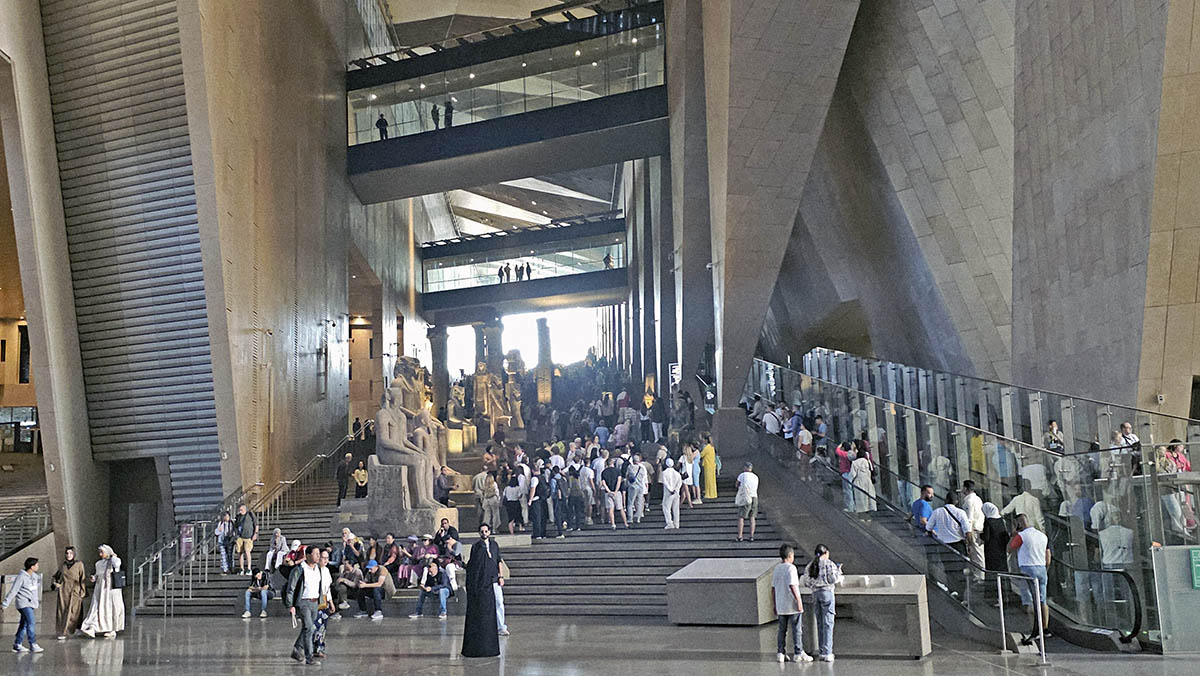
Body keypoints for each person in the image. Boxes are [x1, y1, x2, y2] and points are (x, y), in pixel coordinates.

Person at [1008, 514, 1051, 645]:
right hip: (1042, 568)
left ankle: (1034, 630)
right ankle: (1045, 628)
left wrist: (1014, 534)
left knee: (1030, 601)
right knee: (1043, 600)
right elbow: (1048, 555)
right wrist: (1045, 568)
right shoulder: (1042, 535)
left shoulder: (1022, 536)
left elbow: (1009, 549)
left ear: (1018, 523)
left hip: (1027, 569)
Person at [462, 523, 502, 658]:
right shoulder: (477, 547)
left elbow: (498, 560)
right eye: (482, 531)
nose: (484, 533)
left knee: (498, 605)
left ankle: (502, 627)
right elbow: (475, 566)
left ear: (489, 532)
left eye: (486, 531)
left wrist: (500, 576)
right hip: (481, 586)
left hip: (492, 582)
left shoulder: (494, 545)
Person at [286, 545, 330, 665]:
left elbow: (321, 586)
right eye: (316, 554)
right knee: (309, 628)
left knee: (309, 628)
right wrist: (290, 605)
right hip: (303, 602)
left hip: (315, 602)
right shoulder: (300, 569)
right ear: (308, 555)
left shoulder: (318, 569)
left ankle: (297, 649)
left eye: (318, 554)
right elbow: (291, 588)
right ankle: (309, 657)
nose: (318, 556)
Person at [800, 544, 844, 663]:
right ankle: (827, 652)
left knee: (819, 622)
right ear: (826, 553)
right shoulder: (829, 563)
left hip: (815, 594)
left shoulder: (810, 565)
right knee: (828, 622)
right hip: (827, 593)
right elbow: (833, 579)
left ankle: (821, 651)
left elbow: (807, 581)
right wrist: (839, 571)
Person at [925, 491, 971, 597]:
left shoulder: (937, 512)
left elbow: (928, 527)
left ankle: (952, 590)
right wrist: (970, 545)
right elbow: (967, 531)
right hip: (959, 545)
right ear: (956, 501)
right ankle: (961, 593)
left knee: (948, 569)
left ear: (945, 500)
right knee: (960, 570)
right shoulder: (960, 512)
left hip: (944, 546)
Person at [772, 545, 812, 663]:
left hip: (780, 603)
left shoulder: (777, 569)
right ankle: (798, 652)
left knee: (782, 630)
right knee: (797, 629)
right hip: (791, 604)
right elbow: (792, 585)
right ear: (790, 556)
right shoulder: (791, 568)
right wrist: (799, 600)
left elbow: (773, 588)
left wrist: (774, 604)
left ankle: (780, 652)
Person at [80, 545, 124, 638]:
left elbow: (117, 565)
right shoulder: (99, 563)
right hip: (100, 589)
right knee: (97, 608)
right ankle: (92, 628)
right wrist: (94, 578)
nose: (100, 554)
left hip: (111, 590)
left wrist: (113, 556)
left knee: (112, 609)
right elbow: (97, 574)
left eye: (102, 552)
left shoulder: (114, 561)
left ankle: (112, 629)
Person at [2, 557, 42, 653]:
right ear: (32, 567)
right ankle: (33, 643)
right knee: (31, 622)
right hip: (23, 603)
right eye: (36, 565)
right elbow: (13, 590)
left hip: (31, 603)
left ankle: (17, 644)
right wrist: (5, 603)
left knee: (23, 624)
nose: (38, 566)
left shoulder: (35, 576)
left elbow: (34, 590)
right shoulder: (21, 577)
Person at [50, 546, 87, 640]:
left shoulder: (79, 564)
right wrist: (55, 584)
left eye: (70, 553)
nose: (68, 555)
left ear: (74, 554)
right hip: (64, 591)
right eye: (67, 553)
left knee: (74, 611)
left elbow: (82, 578)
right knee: (63, 611)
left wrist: (82, 591)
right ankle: (63, 631)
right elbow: (56, 576)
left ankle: (72, 629)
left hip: (75, 590)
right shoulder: (63, 565)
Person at [961, 480, 985, 580]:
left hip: (973, 530)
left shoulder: (969, 501)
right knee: (977, 553)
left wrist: (967, 533)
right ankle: (978, 574)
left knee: (976, 553)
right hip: (979, 527)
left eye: (963, 487)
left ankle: (980, 576)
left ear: (966, 488)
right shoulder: (978, 499)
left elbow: (969, 519)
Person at [980, 502, 1009, 572]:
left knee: (992, 567)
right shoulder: (1001, 520)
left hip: (991, 548)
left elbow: (986, 537)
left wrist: (980, 535)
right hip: (1001, 547)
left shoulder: (989, 521)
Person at [601, 457, 628, 529]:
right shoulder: (617, 471)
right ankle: (625, 523)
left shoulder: (604, 472)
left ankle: (613, 524)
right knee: (621, 508)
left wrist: (609, 491)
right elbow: (619, 481)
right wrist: (616, 491)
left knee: (610, 509)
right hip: (617, 492)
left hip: (608, 493)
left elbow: (603, 483)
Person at [735, 461, 759, 542]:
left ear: (745, 468)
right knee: (752, 517)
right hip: (754, 497)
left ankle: (740, 536)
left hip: (746, 497)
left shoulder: (742, 475)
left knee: (741, 517)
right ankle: (751, 536)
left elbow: (737, 484)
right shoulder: (756, 477)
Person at [234, 503, 258, 575]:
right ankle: (242, 568)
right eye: (239, 510)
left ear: (244, 509)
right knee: (240, 552)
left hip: (248, 536)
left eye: (241, 510)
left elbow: (256, 524)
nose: (240, 511)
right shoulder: (238, 517)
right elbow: (236, 525)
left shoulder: (250, 515)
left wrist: (255, 533)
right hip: (240, 536)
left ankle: (249, 568)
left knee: (247, 551)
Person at [626, 452, 648, 524]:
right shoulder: (642, 468)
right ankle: (638, 518)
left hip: (633, 486)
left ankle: (630, 518)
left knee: (630, 503)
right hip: (641, 486)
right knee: (639, 502)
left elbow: (627, 476)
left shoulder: (630, 467)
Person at [661, 457, 683, 529]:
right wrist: (676, 490)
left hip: (668, 493)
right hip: (676, 493)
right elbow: (679, 483)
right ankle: (677, 524)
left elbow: (665, 483)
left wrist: (670, 490)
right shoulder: (677, 473)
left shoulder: (664, 473)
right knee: (676, 508)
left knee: (666, 508)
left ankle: (669, 523)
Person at [700, 434, 718, 500]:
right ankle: (713, 494)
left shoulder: (707, 447)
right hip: (712, 465)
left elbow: (701, 455)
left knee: (708, 481)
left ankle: (709, 494)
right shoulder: (712, 447)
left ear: (706, 440)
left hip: (708, 465)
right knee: (712, 480)